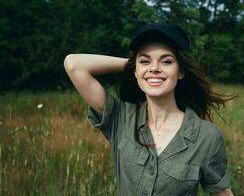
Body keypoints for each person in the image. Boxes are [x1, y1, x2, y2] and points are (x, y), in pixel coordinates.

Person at [64, 23, 235, 196]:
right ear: (135, 70)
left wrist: (142, 66)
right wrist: (134, 66)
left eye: (166, 61)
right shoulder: (120, 118)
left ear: (181, 71)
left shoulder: (206, 136)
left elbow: (221, 193)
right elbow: (74, 65)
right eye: (145, 61)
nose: (154, 68)